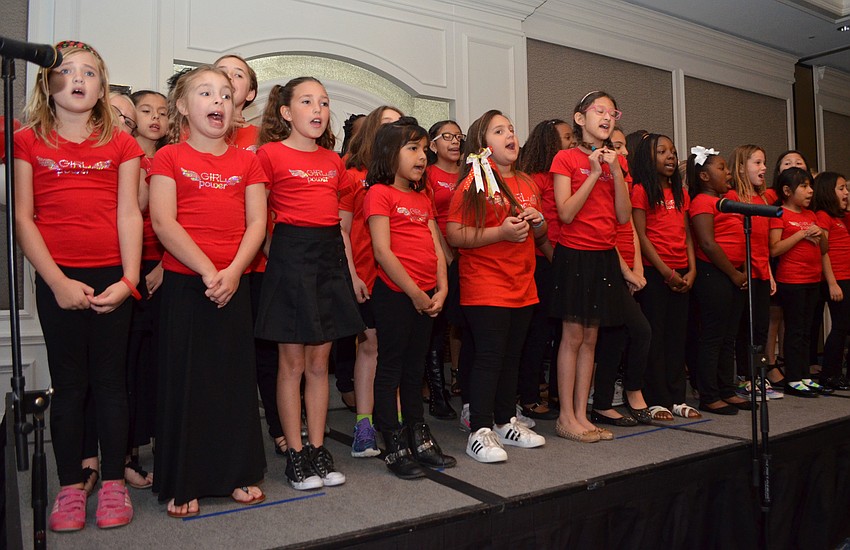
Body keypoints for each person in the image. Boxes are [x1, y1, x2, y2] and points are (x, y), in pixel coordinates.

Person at [14, 40, 142, 531]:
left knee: (110, 384)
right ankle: (70, 486)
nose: (79, 79)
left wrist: (129, 280)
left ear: (102, 85)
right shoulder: (29, 141)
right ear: (47, 82)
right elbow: (23, 218)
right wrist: (56, 281)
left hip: (112, 276)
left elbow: (129, 213)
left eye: (89, 72)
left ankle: (112, 483)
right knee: (69, 386)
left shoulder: (121, 144)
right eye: (67, 71)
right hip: (58, 278)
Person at [150, 65, 267, 517]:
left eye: (225, 94)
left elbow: (257, 223)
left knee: (233, 382)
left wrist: (233, 272)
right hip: (187, 284)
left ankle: (236, 472)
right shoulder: (169, 157)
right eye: (205, 93)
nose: (218, 101)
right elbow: (164, 222)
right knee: (188, 382)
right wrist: (208, 272)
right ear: (182, 106)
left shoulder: (248, 162)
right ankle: (186, 479)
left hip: (234, 282)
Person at [255, 77, 365, 489]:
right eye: (306, 101)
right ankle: (296, 455)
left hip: (327, 259)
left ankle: (319, 448)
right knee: (292, 364)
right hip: (290, 258)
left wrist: (348, 271)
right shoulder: (268, 154)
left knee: (320, 364)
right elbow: (256, 217)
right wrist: (278, 255)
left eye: (323, 102)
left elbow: (340, 225)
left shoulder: (334, 162)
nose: (317, 109)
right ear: (286, 112)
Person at [447, 110, 547, 463]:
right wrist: (500, 233)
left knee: (511, 356)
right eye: (499, 130)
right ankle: (480, 429)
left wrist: (538, 222)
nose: (510, 136)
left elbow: (540, 234)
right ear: (482, 143)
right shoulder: (473, 183)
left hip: (523, 284)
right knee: (489, 357)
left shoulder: (528, 182)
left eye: (512, 130)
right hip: (486, 284)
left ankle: (505, 422)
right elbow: (454, 233)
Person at [365, 118, 455, 478]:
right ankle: (392, 438)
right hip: (395, 295)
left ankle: (418, 432)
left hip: (427, 295)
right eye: (412, 148)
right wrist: (415, 293)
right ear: (390, 153)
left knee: (415, 368)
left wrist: (441, 288)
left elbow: (436, 245)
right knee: (391, 367)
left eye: (423, 150)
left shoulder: (422, 197)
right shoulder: (379, 193)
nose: (422, 156)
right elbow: (382, 251)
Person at [549, 92, 633, 442]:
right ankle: (565, 416)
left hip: (604, 255)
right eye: (599, 110)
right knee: (572, 336)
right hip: (575, 254)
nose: (607, 117)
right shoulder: (565, 158)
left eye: (612, 112)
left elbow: (624, 216)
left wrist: (613, 171)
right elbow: (566, 213)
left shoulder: (618, 162)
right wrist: (593, 173)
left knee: (592, 338)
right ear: (580, 118)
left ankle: (582, 415)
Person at [339, 105, 403, 457]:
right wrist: (352, 275)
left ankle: (394, 421)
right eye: (387, 124)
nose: (395, 130)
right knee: (370, 348)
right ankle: (364, 426)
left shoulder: (406, 177)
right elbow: (342, 230)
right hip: (366, 274)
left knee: (395, 350)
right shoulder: (352, 175)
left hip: (401, 278)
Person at [631, 133, 698, 420]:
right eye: (662, 152)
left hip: (682, 272)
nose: (670, 156)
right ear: (648, 158)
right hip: (656, 272)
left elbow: (687, 235)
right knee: (655, 337)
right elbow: (641, 235)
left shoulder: (681, 193)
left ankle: (677, 398)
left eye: (672, 151)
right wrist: (666, 272)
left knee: (676, 337)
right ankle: (656, 399)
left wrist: (692, 269)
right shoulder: (640, 191)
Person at [591, 127, 652, 425]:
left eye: (623, 146)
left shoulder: (623, 174)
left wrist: (637, 268)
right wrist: (626, 272)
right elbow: (604, 231)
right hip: (608, 267)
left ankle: (602, 403)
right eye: (617, 146)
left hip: (628, 268)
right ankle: (632, 391)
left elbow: (630, 229)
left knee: (615, 337)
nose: (624, 152)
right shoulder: (600, 178)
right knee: (640, 330)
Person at [687, 146, 751, 415]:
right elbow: (707, 243)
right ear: (704, 176)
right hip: (714, 274)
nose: (728, 173)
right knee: (713, 337)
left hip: (734, 274)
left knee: (729, 336)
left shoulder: (728, 201)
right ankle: (709, 395)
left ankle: (727, 389)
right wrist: (734, 274)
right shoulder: (702, 202)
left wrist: (742, 270)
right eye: (721, 168)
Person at [515, 119, 568, 420]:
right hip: (543, 261)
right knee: (538, 331)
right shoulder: (535, 179)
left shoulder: (561, 176)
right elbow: (539, 228)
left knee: (559, 331)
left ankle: (556, 391)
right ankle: (529, 395)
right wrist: (555, 259)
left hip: (562, 258)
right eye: (567, 137)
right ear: (550, 142)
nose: (572, 142)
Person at [769, 167, 831, 397]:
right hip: (792, 280)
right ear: (787, 191)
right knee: (794, 330)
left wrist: (819, 234)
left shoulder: (811, 215)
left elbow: (824, 249)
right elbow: (774, 249)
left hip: (812, 279)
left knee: (806, 330)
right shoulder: (779, 214)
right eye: (804, 186)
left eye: (810, 186)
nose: (810, 191)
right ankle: (793, 378)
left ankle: (804, 376)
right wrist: (802, 235)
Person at [730, 145, 783, 399]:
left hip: (761, 272)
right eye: (758, 163)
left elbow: (763, 244)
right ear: (741, 167)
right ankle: (745, 378)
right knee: (745, 328)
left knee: (761, 327)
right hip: (743, 274)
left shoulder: (764, 200)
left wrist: (769, 274)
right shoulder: (733, 198)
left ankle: (758, 376)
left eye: (764, 163)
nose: (764, 168)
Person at [422, 119, 464, 420]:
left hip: (472, 253)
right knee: (437, 326)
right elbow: (430, 219)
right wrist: (447, 256)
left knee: (463, 321)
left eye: (458, 136)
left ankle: (461, 378)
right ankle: (437, 392)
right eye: (447, 137)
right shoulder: (428, 174)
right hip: (440, 255)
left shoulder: (470, 172)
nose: (454, 141)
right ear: (433, 145)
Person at [812, 171, 850, 391]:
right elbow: (823, 251)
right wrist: (832, 282)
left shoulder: (839, 218)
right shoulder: (823, 216)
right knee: (841, 326)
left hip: (846, 276)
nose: (846, 193)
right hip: (837, 279)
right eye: (841, 188)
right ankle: (830, 374)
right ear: (828, 191)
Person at [214, 54, 259, 150]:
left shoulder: (262, 137)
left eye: (238, 75)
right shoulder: (190, 131)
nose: (228, 77)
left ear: (250, 93)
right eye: (221, 72)